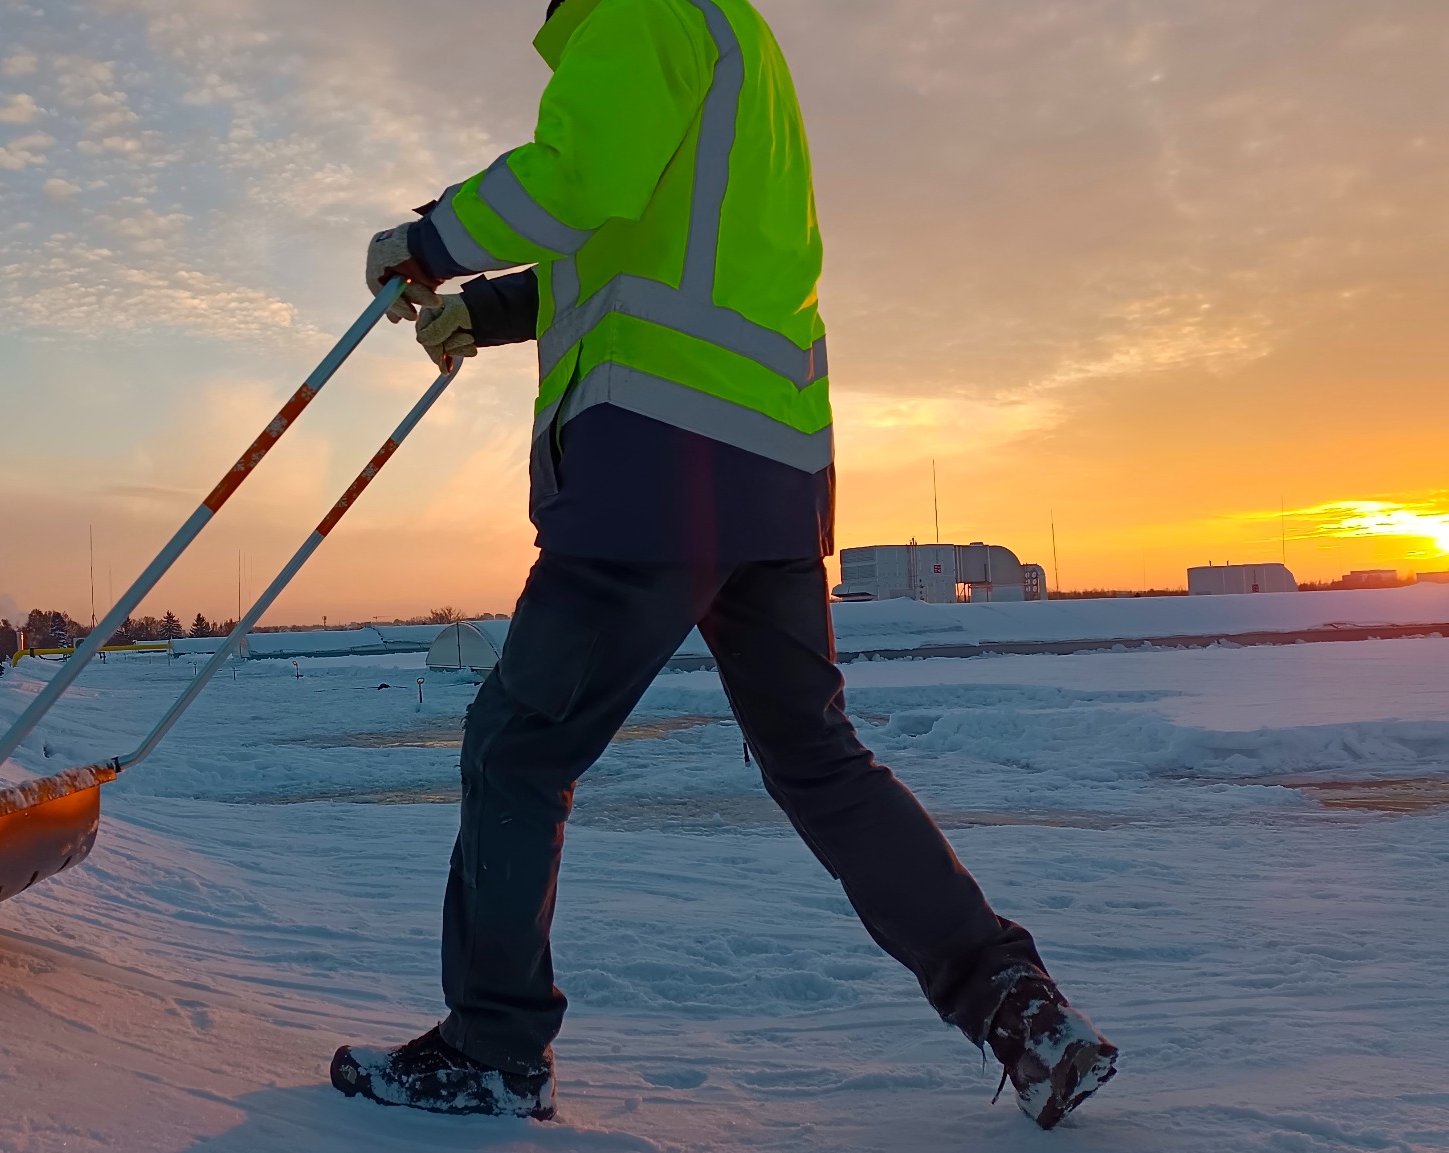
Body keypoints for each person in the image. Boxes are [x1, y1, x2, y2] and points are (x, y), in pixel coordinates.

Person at [331, 0, 1117, 1130]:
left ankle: (492, 1049)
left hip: (655, 462)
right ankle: (1020, 1011)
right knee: (819, 761)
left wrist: (423, 240)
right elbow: (643, 238)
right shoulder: (730, 38)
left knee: (514, 747)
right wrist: (490, 311)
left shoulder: (634, 11)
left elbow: (574, 178)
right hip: (770, 472)